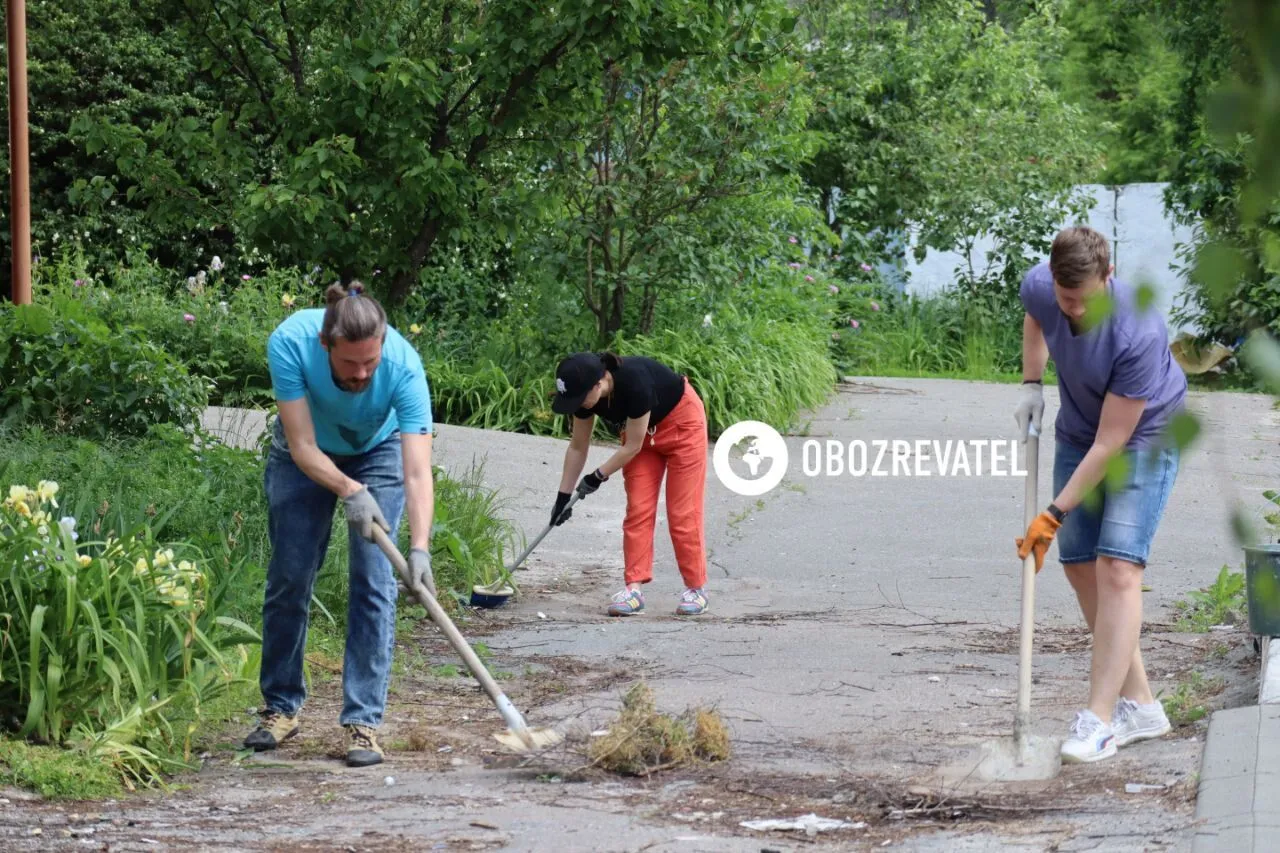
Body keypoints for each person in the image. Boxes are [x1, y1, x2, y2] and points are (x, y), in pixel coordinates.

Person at [1013, 225, 1187, 765]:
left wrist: (1054, 511)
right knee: (1080, 564)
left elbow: (1114, 442)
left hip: (1142, 437)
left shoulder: (1138, 330)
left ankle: (1101, 720)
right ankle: (1141, 706)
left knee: (1118, 568)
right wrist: (1031, 385)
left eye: (1084, 301)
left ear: (1108, 278)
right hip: (1078, 430)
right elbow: (1037, 319)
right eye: (1067, 300)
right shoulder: (1044, 287)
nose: (1075, 311)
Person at [244, 281, 436, 768]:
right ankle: (281, 708)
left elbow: (416, 470)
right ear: (325, 344)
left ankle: (364, 721)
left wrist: (420, 548)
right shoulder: (290, 342)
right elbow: (304, 448)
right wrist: (350, 490)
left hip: (379, 451)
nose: (363, 373)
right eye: (350, 364)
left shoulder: (404, 367)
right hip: (304, 453)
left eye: (371, 361)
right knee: (291, 574)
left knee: (374, 580)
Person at [550, 352, 710, 617]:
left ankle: (696, 589)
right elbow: (578, 447)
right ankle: (633, 590)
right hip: (641, 438)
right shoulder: (584, 397)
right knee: (638, 509)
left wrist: (597, 476)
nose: (575, 405)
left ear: (598, 385)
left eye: (578, 398)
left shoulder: (634, 381)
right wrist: (562, 497)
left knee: (683, 513)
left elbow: (631, 447)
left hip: (683, 426)